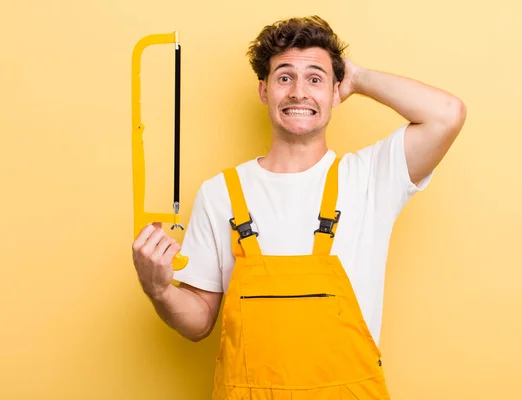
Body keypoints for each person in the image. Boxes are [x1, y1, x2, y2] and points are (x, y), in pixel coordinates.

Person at [131, 15, 466, 399]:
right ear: (264, 90)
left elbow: (447, 114)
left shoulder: (371, 178)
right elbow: (198, 322)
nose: (299, 92)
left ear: (335, 92)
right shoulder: (221, 192)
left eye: (315, 78)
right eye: (285, 76)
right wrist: (159, 290)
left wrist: (356, 78)